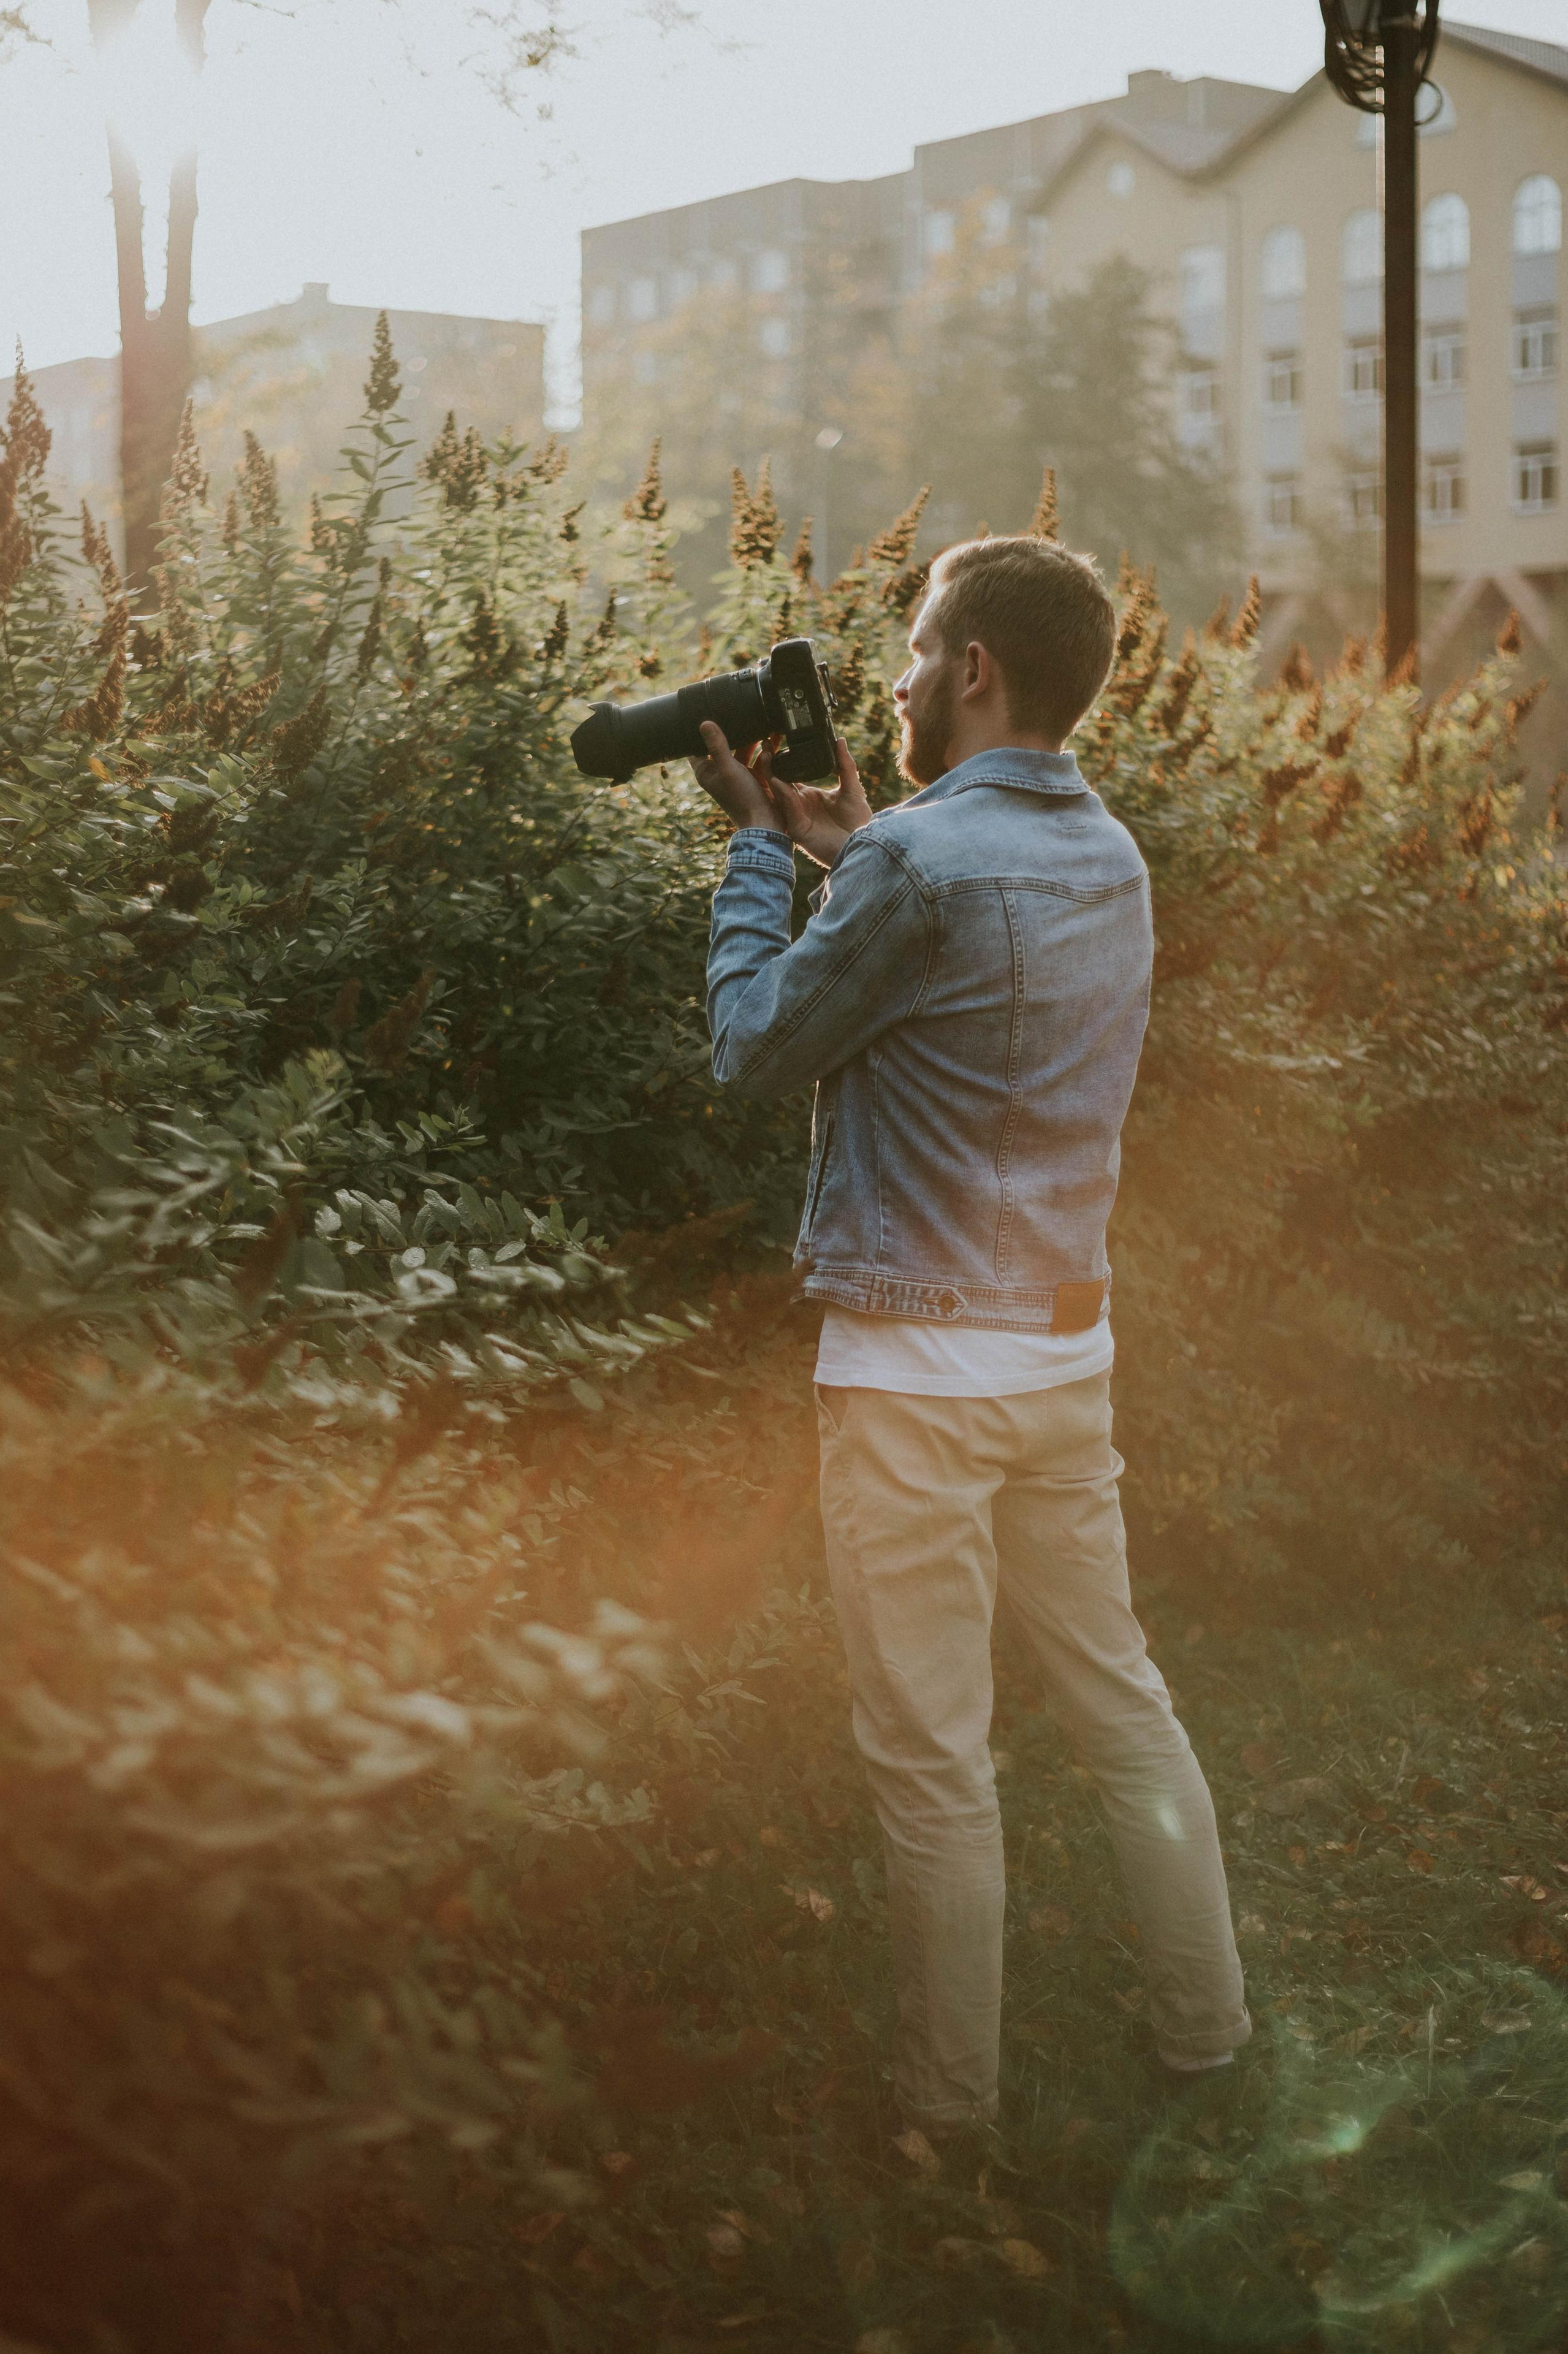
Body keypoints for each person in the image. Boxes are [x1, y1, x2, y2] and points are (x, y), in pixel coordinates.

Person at [691, 533, 1249, 2143]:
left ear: (977, 666)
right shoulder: (1108, 860)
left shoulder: (919, 865)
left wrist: (752, 855)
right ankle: (1208, 2042)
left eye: (921, 645)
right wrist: (852, 840)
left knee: (936, 1760)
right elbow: (955, 945)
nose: (899, 675)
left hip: (915, 1386)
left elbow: (751, 1049)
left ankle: (947, 2133)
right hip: (1062, 1358)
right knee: (1121, 1699)